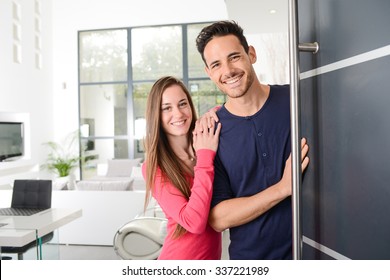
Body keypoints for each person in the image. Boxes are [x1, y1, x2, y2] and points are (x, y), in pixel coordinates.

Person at [195, 20, 310, 259]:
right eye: (216, 64)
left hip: (312, 252)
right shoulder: (211, 132)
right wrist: (282, 189)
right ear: (209, 73)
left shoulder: (297, 99)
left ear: (251, 54)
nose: (227, 71)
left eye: (234, 57)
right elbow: (218, 218)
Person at [142, 76, 222, 260]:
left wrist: (215, 113)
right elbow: (193, 223)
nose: (178, 114)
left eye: (182, 104)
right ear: (156, 115)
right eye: (167, 108)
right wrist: (205, 155)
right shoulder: (154, 168)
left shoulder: (206, 141)